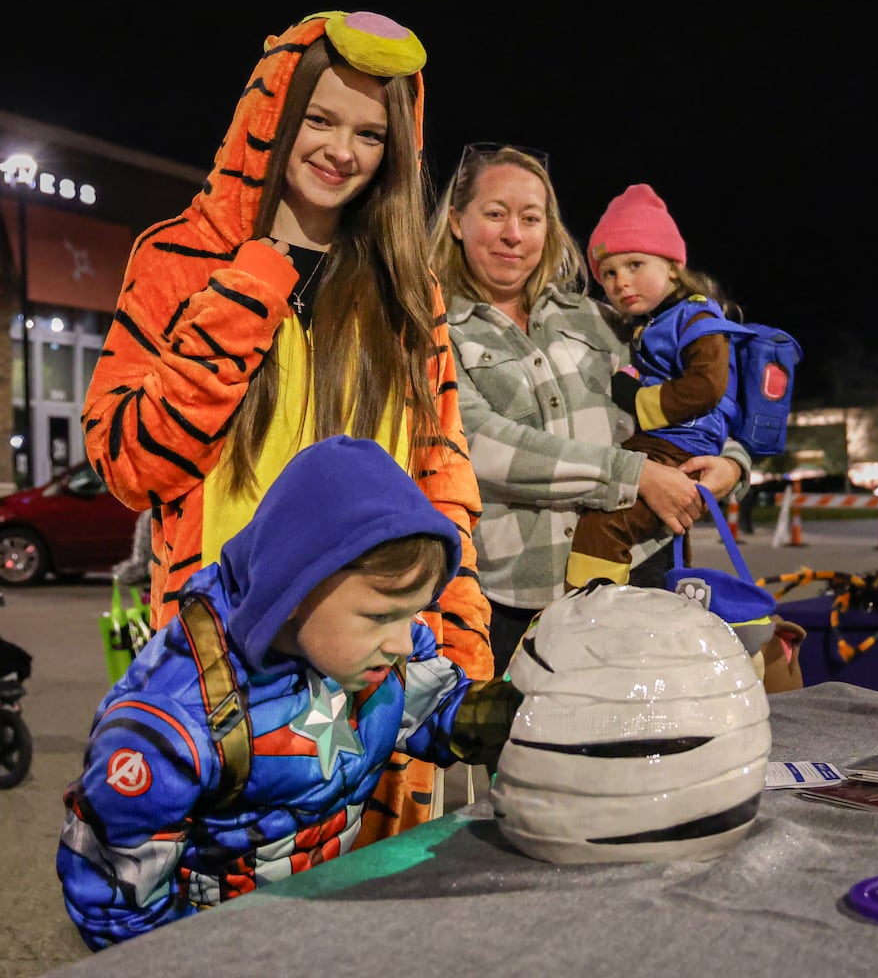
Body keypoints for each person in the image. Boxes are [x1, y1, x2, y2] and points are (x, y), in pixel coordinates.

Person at [80, 10, 492, 843]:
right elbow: (128, 462)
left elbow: (440, 476)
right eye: (320, 119)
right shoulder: (176, 261)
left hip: (373, 679)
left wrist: (456, 643)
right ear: (271, 118)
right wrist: (254, 281)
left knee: (364, 926)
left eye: (371, 133)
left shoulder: (407, 291)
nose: (342, 149)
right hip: (221, 683)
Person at [57, 436, 520, 950]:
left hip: (319, 923)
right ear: (296, 587)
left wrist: (517, 715)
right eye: (380, 616)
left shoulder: (367, 651)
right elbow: (118, 905)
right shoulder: (171, 722)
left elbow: (433, 706)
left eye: (411, 613)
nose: (402, 639)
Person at [428, 145, 750, 674]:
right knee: (529, 754)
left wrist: (731, 463)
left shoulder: (601, 319)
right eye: (495, 214)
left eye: (531, 218)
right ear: (458, 221)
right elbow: (477, 444)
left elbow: (688, 397)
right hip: (517, 597)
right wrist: (635, 475)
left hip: (639, 572)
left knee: (646, 743)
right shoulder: (436, 330)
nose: (514, 234)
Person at [565, 183, 754, 589]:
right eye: (609, 273)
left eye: (635, 264)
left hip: (682, 444)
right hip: (666, 441)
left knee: (607, 523)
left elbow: (707, 385)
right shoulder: (652, 323)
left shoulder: (698, 319)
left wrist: (639, 400)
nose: (620, 282)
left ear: (671, 266)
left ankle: (590, 608)